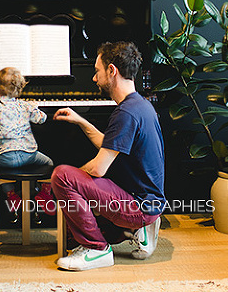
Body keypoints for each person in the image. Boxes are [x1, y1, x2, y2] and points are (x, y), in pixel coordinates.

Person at [51, 41, 166, 271]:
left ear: (112, 70)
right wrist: (81, 121)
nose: (94, 78)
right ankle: (137, 229)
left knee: (61, 176)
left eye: (97, 71)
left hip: (138, 206)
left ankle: (97, 250)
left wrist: (73, 179)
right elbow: (110, 144)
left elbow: (98, 169)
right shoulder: (139, 105)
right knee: (72, 232)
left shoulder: (126, 113)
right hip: (148, 200)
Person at [0, 67, 54, 213]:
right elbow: (42, 119)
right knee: (49, 163)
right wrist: (35, 107)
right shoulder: (25, 105)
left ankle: (11, 194)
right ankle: (43, 192)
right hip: (29, 155)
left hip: (5, 159)